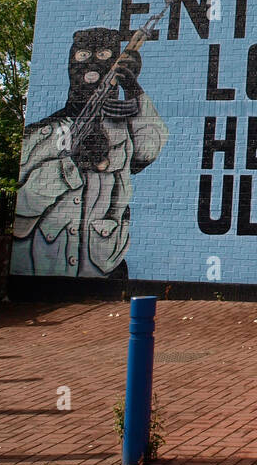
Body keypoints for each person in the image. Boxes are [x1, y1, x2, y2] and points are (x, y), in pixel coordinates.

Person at [14, 27, 167, 277]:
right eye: (84, 55)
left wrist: (133, 89)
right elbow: (24, 205)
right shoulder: (44, 133)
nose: (93, 65)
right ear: (71, 63)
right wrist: (72, 163)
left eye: (104, 55)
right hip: (47, 265)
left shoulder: (121, 130)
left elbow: (149, 149)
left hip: (103, 265)